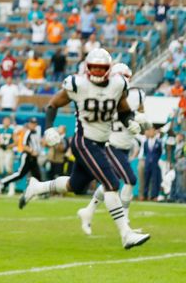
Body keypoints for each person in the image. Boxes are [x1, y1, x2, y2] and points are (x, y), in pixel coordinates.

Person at [18, 48, 150, 249]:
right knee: (112, 184)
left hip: (100, 143)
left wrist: (130, 121)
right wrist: (49, 128)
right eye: (94, 67)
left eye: (101, 68)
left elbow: (123, 111)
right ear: (87, 68)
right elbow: (52, 105)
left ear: (108, 69)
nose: (97, 71)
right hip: (84, 141)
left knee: (75, 185)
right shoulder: (77, 84)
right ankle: (126, 234)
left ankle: (37, 187)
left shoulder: (117, 84)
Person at [77, 63, 148, 235]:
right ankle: (126, 224)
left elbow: (140, 114)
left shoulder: (137, 94)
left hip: (125, 145)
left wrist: (141, 118)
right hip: (111, 144)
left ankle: (89, 210)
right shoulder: (106, 98)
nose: (124, 81)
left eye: (127, 77)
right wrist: (132, 117)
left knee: (109, 183)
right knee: (130, 179)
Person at [0, 118, 42, 192]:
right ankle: (3, 182)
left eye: (35, 123)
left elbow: (38, 145)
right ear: (29, 124)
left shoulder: (36, 133)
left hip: (34, 158)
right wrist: (32, 151)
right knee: (20, 174)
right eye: (32, 123)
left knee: (37, 176)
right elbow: (24, 145)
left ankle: (41, 192)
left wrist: (38, 151)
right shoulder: (27, 132)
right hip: (27, 156)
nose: (33, 125)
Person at [0, 117, 17, 195]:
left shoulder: (12, 131)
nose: (6, 122)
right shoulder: (0, 130)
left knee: (9, 168)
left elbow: (16, 142)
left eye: (8, 121)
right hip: (1, 150)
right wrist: (0, 145)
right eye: (5, 121)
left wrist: (8, 146)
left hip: (8, 151)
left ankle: (11, 188)